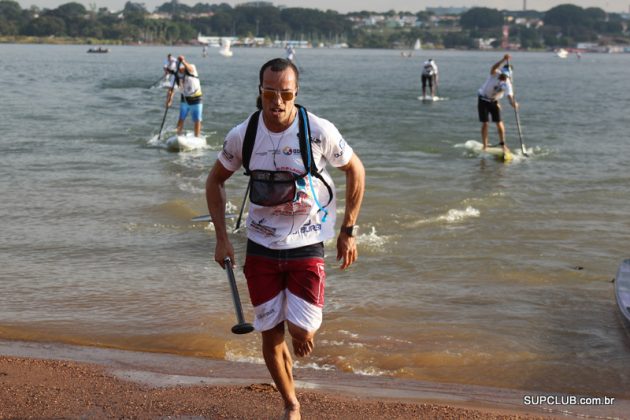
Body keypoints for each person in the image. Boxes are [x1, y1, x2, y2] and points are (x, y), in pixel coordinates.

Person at [205, 58, 365, 419]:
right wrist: (221, 239)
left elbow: (356, 170)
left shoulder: (317, 130)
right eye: (269, 93)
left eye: (286, 94)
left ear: (296, 94)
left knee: (301, 328)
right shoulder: (243, 134)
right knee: (269, 331)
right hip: (261, 246)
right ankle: (291, 403)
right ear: (259, 92)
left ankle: (300, 334)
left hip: (307, 243)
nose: (277, 102)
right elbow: (214, 181)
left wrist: (348, 229)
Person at [477, 53, 518, 153]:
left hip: (494, 101)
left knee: (499, 123)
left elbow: (509, 95)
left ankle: (503, 145)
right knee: (485, 123)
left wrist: (513, 103)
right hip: (483, 99)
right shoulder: (495, 73)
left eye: (505, 76)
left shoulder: (508, 83)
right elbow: (493, 67)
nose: (502, 78)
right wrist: (503, 60)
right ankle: (485, 145)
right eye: (503, 75)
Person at [166, 55, 203, 137]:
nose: (181, 70)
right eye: (179, 69)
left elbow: (190, 68)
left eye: (182, 68)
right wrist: (169, 101)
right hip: (185, 99)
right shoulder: (176, 75)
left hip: (196, 98)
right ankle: (178, 135)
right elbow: (171, 90)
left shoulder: (191, 67)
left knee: (197, 119)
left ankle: (197, 137)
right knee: (181, 118)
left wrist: (183, 61)